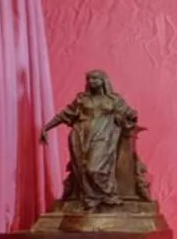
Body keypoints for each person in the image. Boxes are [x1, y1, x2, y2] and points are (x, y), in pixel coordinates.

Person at [41, 69, 140, 210]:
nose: (92, 82)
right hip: (81, 136)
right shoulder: (82, 100)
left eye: (95, 79)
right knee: (82, 168)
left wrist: (130, 117)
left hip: (104, 136)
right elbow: (64, 115)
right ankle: (91, 199)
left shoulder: (114, 100)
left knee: (94, 168)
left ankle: (107, 195)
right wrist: (46, 128)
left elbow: (130, 114)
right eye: (89, 79)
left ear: (103, 81)